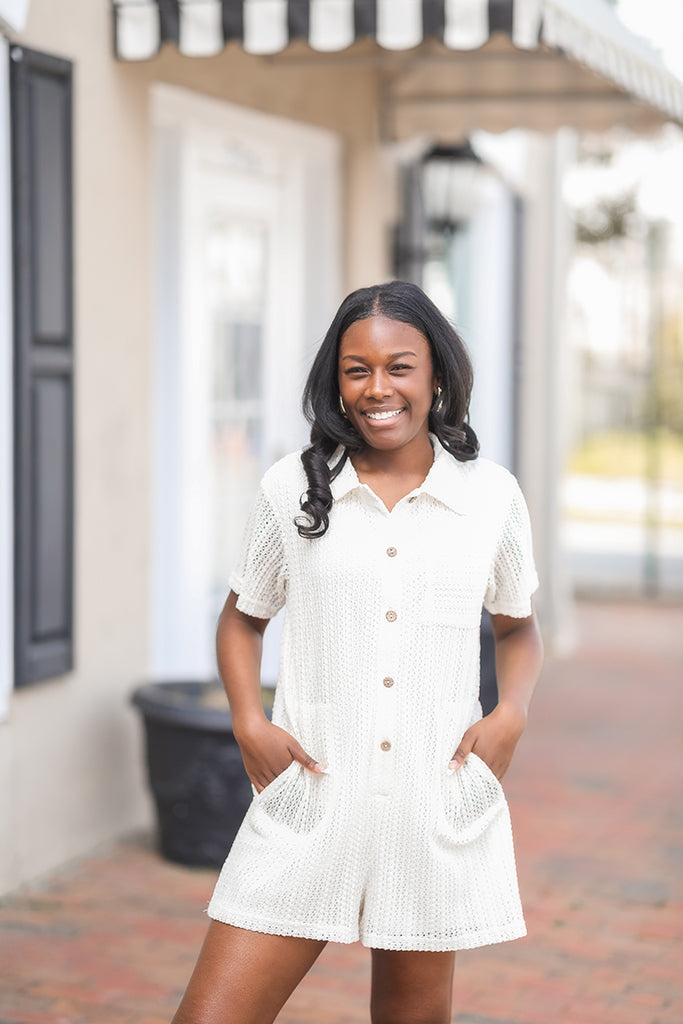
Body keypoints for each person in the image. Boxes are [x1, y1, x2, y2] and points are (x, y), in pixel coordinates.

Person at [172, 281, 544, 1024]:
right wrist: (249, 719)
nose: (378, 388)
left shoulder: (490, 499)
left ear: (436, 374)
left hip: (425, 800)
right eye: (356, 369)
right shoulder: (293, 488)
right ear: (335, 382)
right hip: (311, 797)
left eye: (398, 367)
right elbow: (241, 619)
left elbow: (516, 626)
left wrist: (511, 714)